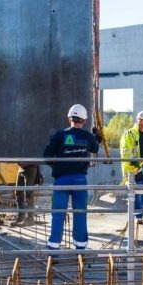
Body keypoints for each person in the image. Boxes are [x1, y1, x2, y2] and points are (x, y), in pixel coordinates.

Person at [43, 104, 101, 251]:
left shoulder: (59, 135)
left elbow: (47, 155)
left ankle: (53, 248)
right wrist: (96, 138)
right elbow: (95, 148)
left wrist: (57, 167)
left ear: (70, 119)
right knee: (80, 213)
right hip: (80, 180)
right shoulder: (88, 137)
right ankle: (80, 248)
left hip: (62, 180)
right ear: (84, 121)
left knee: (58, 214)